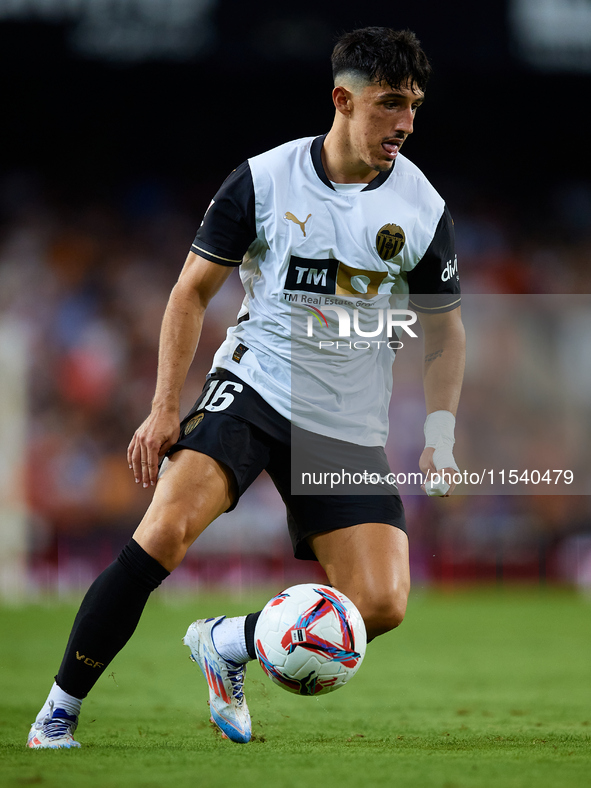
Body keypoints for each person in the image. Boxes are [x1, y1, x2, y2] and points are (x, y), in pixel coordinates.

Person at [27, 26, 465, 748]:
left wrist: (442, 435)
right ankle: (58, 712)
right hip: (254, 387)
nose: (406, 123)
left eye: (413, 106)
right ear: (342, 100)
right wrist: (165, 406)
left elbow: (445, 332)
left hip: (345, 423)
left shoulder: (421, 209)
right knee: (162, 534)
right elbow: (189, 293)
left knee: (380, 605)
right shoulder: (264, 180)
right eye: (390, 104)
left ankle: (227, 641)